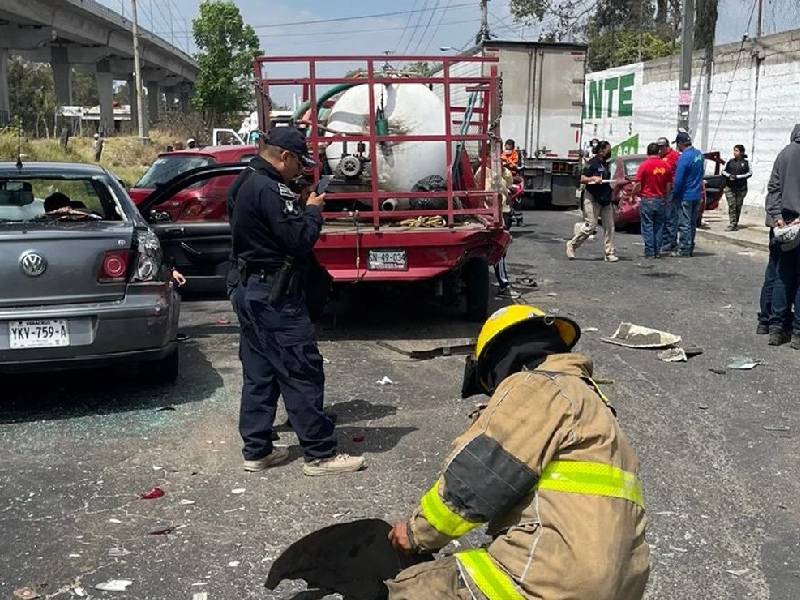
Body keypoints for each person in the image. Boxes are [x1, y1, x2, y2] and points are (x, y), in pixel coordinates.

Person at [386, 305, 650, 599]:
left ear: (501, 359)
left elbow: (475, 482)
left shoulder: (536, 385)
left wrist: (415, 534)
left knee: (413, 589)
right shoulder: (596, 410)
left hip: (552, 578)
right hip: (623, 587)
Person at [230, 126, 365, 475]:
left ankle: (257, 450)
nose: (301, 172)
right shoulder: (270, 189)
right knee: (300, 368)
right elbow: (298, 240)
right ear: (283, 156)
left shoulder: (244, 180)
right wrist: (312, 210)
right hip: (276, 294)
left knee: (259, 372)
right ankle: (321, 453)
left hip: (249, 288)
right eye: (298, 164)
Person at [764, 124, 800, 348]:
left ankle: (776, 329)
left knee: (783, 276)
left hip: (784, 225)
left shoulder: (784, 153)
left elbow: (773, 188)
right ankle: (797, 333)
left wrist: (777, 216)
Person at [566, 140, 618, 262]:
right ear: (601, 150)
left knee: (610, 227)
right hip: (593, 198)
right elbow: (583, 179)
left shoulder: (607, 164)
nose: (610, 152)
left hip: (605, 198)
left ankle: (609, 253)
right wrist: (593, 178)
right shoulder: (592, 163)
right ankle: (572, 245)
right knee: (591, 226)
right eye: (608, 149)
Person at [633, 142, 672, 258]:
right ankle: (657, 250)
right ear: (658, 152)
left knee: (647, 225)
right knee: (659, 226)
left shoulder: (644, 165)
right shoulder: (666, 166)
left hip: (647, 199)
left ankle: (650, 251)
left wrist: (633, 194)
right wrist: (666, 196)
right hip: (661, 199)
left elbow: (638, 184)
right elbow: (669, 184)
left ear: (647, 152)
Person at [672, 132, 704, 257]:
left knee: (684, 223)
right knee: (691, 223)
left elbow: (679, 180)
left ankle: (684, 249)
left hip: (686, 195)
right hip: (697, 193)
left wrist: (674, 194)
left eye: (678, 144)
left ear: (680, 143)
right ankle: (690, 247)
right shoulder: (699, 155)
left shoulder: (684, 157)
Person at [657, 137, 681, 253]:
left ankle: (670, 242)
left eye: (661, 147)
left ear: (667, 147)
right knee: (663, 217)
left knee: (670, 216)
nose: (660, 150)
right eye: (658, 148)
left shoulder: (674, 156)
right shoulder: (660, 157)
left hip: (670, 190)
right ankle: (666, 240)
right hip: (661, 190)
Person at [722, 144, 752, 231]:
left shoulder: (746, 163)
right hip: (730, 187)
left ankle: (735, 222)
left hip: (741, 187)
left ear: (742, 152)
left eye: (737, 151)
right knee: (732, 205)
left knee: (738, 206)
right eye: (734, 150)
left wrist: (738, 177)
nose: (735, 152)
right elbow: (723, 171)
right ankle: (732, 223)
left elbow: (749, 173)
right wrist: (729, 176)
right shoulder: (730, 162)